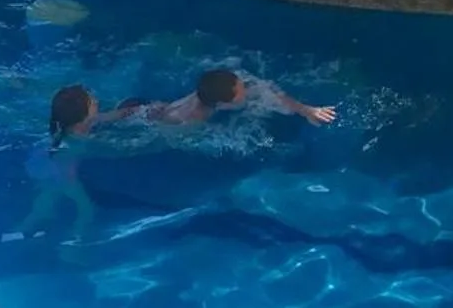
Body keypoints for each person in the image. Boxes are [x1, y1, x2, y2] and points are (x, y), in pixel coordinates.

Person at [17, 84, 102, 241]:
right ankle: (75, 243)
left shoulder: (62, 125)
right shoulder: (83, 136)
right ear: (83, 119)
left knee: (45, 201)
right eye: (92, 102)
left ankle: (22, 230)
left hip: (41, 162)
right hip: (64, 175)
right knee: (86, 209)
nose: (96, 101)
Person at [123, 68, 336, 127]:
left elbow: (267, 91)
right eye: (241, 89)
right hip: (160, 120)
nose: (246, 85)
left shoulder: (215, 87)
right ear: (227, 102)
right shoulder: (190, 118)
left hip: (161, 108)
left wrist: (306, 109)